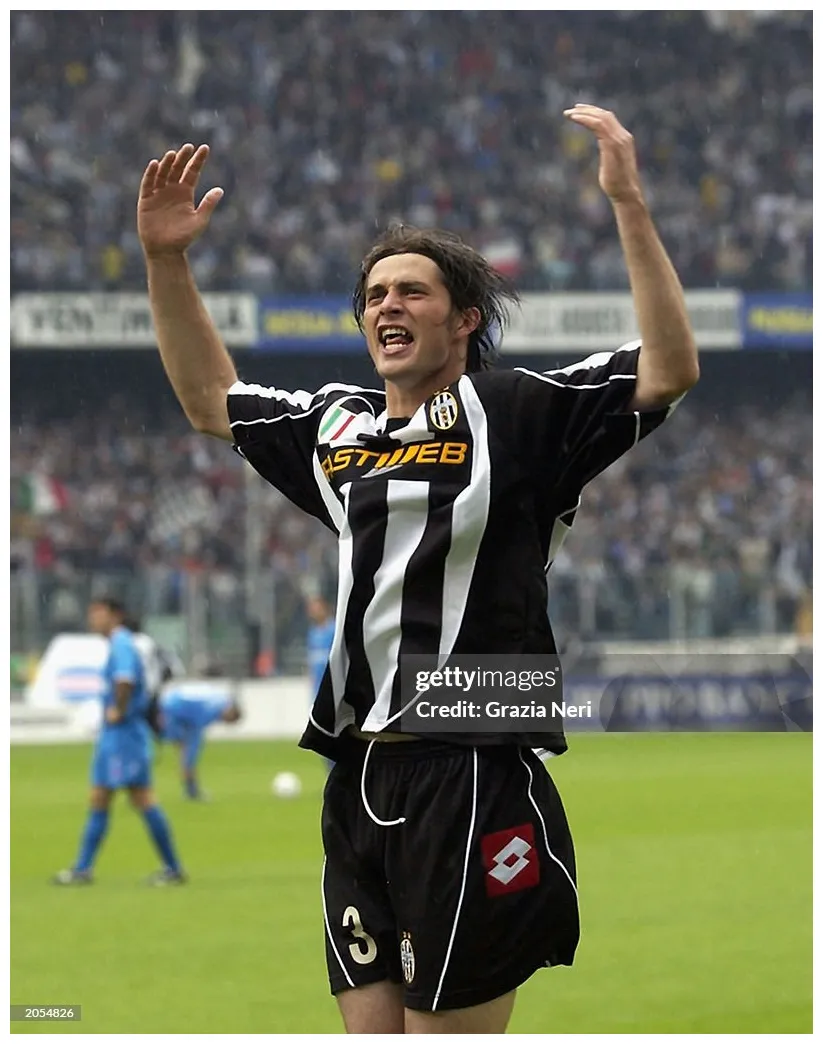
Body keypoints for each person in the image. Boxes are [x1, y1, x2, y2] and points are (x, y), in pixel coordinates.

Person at [137, 104, 699, 1033]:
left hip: (471, 762)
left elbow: (668, 369)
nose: (387, 306)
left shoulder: (516, 411)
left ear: (465, 318)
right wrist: (166, 263)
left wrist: (627, 203)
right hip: (356, 773)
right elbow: (208, 399)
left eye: (412, 292)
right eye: (375, 295)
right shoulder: (335, 427)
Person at [53, 597, 187, 886]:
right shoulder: (119, 644)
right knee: (100, 797)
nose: (93, 619)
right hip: (117, 735)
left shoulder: (122, 643)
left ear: (115, 616)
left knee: (141, 797)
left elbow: (125, 680)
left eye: (98, 613)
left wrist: (119, 709)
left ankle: (173, 868)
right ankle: (83, 868)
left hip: (124, 734)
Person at [152, 681, 243, 800]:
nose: (225, 723)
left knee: (185, 751)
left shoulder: (220, 700)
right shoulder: (213, 709)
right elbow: (196, 727)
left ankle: (190, 787)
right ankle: (191, 790)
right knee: (188, 752)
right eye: (228, 721)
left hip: (174, 704)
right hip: (174, 711)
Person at [306, 594, 336, 772]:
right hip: (318, 692)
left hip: (333, 691)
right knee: (322, 736)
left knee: (335, 735)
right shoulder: (313, 633)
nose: (312, 611)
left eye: (316, 607)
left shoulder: (334, 630)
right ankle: (331, 774)